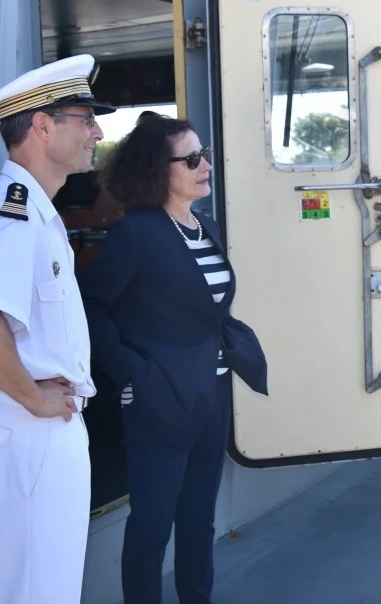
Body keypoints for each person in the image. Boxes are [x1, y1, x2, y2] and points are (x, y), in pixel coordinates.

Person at [79, 115, 267, 604]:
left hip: (210, 393)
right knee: (152, 524)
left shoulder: (204, 227)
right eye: (191, 159)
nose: (205, 165)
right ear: (157, 171)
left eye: (202, 154)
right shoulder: (135, 234)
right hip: (156, 400)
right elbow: (92, 309)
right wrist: (133, 371)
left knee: (198, 519)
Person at [0, 54, 114, 604]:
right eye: (85, 117)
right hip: (29, 430)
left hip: (36, 432)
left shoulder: (34, 210)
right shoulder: (11, 211)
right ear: (43, 125)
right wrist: (35, 401)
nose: (97, 131)